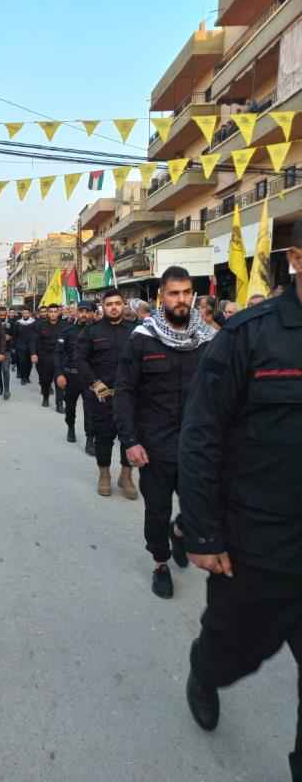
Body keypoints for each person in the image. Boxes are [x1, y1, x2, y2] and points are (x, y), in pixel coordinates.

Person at [180, 232, 302, 782]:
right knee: (235, 650)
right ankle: (205, 670)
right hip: (257, 541)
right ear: (297, 261)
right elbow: (201, 436)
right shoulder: (250, 335)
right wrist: (203, 535)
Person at [114, 266, 216, 599]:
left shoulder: (208, 340)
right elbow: (125, 391)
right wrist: (130, 441)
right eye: (174, 293)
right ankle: (160, 562)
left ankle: (181, 531)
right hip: (155, 446)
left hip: (198, 446)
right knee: (156, 510)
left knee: (200, 507)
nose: (182, 299)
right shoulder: (143, 338)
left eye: (187, 292)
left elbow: (222, 393)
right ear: (161, 296)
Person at [78, 290, 137, 498]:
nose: (113, 307)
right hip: (103, 396)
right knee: (104, 437)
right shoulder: (91, 332)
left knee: (129, 437)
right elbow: (81, 360)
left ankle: (126, 476)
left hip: (130, 396)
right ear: (103, 306)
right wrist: (95, 383)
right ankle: (104, 475)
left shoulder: (136, 331)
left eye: (117, 303)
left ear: (124, 305)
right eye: (109, 304)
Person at [55, 301, 95, 448]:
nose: (84, 314)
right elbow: (58, 354)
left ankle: (90, 439)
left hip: (90, 378)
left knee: (90, 410)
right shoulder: (67, 331)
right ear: (77, 313)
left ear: (92, 313)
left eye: (87, 311)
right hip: (71, 376)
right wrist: (59, 374)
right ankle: (70, 427)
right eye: (81, 311)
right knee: (70, 407)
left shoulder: (97, 331)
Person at [30, 303, 65, 411]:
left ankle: (59, 404)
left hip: (60, 357)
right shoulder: (41, 325)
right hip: (45, 357)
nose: (53, 314)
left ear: (59, 313)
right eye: (51, 312)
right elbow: (33, 341)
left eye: (55, 312)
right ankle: (45, 397)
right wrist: (33, 353)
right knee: (45, 380)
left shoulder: (65, 325)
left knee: (59, 381)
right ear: (48, 313)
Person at [0, 306, 14, 401]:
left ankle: (7, 390)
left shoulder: (11, 322)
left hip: (7, 350)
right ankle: (0, 387)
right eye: (0, 315)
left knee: (5, 370)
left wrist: (10, 337)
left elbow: (15, 334)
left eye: (4, 314)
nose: (2, 316)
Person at [14, 308, 36, 385]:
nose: (25, 314)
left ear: (29, 314)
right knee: (22, 362)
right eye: (24, 313)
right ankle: (23, 378)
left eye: (27, 313)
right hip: (20, 346)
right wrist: (15, 345)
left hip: (31, 346)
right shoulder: (18, 323)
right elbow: (15, 335)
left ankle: (27, 377)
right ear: (22, 314)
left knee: (29, 363)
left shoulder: (34, 322)